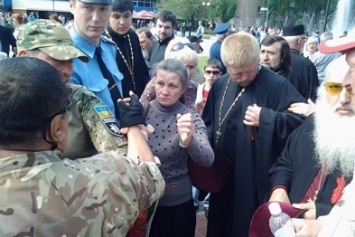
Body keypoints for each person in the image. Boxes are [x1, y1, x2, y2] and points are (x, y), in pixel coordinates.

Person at [0, 57, 165, 236]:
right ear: (56, 129)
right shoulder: (101, 179)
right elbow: (149, 176)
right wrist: (133, 125)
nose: (68, 70)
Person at [202, 32, 305, 236]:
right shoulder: (221, 84)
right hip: (222, 174)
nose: (244, 77)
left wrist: (267, 118)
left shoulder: (278, 85)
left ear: (258, 60)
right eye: (237, 73)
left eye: (249, 71)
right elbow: (209, 123)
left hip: (252, 176)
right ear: (226, 67)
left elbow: (302, 124)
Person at [16, 19, 129, 160]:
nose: (68, 71)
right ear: (24, 58)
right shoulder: (5, 100)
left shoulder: (81, 98)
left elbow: (119, 154)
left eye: (70, 60)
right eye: (57, 60)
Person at [269, 37, 355, 221]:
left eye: (352, 90)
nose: (343, 99)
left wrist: (323, 213)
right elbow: (285, 162)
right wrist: (279, 189)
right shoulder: (314, 123)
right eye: (334, 88)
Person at [145, 58, 214, 237]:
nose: (165, 91)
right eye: (160, 83)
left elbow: (207, 159)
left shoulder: (189, 117)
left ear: (183, 88)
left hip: (177, 204)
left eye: (173, 86)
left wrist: (189, 140)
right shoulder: (142, 110)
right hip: (144, 202)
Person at [69, 0, 124, 119]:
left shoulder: (110, 48)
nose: (96, 18)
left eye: (103, 9)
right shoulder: (63, 58)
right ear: (72, 5)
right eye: (87, 8)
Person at [105, 0, 150, 98]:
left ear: (132, 15)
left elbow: (141, 68)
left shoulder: (133, 36)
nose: (122, 22)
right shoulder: (103, 40)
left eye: (126, 16)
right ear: (108, 16)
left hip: (138, 97)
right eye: (116, 17)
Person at [140, 38, 200, 111]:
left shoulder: (192, 86)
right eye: (183, 66)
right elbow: (140, 108)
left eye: (191, 67)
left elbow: (189, 112)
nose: (187, 71)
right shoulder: (155, 83)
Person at [282, 24, 319, 101]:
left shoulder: (271, 60)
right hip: (297, 111)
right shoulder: (307, 65)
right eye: (304, 39)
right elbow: (313, 96)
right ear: (299, 41)